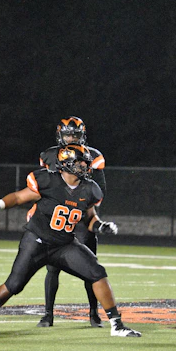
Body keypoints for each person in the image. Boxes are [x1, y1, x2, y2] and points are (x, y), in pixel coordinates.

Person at [0, 144, 141, 338]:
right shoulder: (48, 181)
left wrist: (101, 226)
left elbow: (90, 218)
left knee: (97, 272)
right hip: (36, 241)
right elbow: (17, 197)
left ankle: (116, 325)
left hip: (64, 245)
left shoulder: (90, 189)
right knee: (13, 285)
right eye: (80, 162)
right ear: (66, 164)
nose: (85, 166)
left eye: (85, 162)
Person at [33, 116, 107, 328]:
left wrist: (83, 210)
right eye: (67, 134)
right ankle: (48, 315)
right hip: (56, 219)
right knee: (52, 268)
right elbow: (42, 187)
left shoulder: (93, 156)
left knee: (90, 267)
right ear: (60, 135)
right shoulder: (49, 155)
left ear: (82, 136)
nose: (71, 138)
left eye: (75, 135)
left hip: (81, 218)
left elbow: (99, 191)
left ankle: (93, 313)